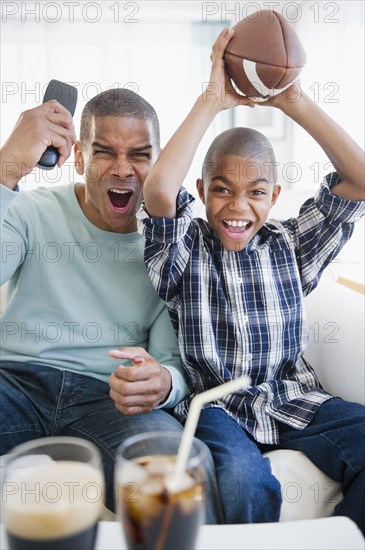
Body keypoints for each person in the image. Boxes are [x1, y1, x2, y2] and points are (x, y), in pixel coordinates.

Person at [137, 28, 365, 532]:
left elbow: (360, 180)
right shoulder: (185, 250)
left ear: (275, 194)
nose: (238, 208)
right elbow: (158, 190)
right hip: (219, 407)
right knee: (244, 482)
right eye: (221, 190)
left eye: (256, 192)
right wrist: (212, 100)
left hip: (293, 398)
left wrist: (295, 101)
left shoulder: (291, 246)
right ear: (201, 190)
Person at [0, 88, 222, 521]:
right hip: (15, 385)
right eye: (105, 153)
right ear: (79, 158)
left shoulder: (168, 245)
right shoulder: (30, 211)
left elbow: (170, 363)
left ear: (159, 163)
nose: (123, 171)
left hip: (110, 399)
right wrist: (7, 166)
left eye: (139, 155)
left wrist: (164, 383)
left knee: (172, 475)